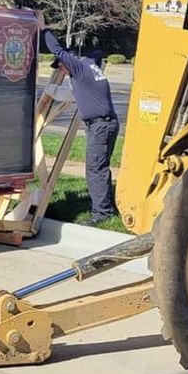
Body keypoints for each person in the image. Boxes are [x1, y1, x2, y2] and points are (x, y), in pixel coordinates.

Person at [38, 15, 118, 224]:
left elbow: (58, 50)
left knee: (95, 168)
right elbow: (73, 92)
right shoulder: (90, 68)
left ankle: (102, 214)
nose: (62, 70)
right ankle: (105, 207)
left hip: (101, 125)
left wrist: (44, 29)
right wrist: (53, 91)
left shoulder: (80, 68)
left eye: (62, 67)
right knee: (100, 167)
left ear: (69, 64)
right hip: (105, 123)